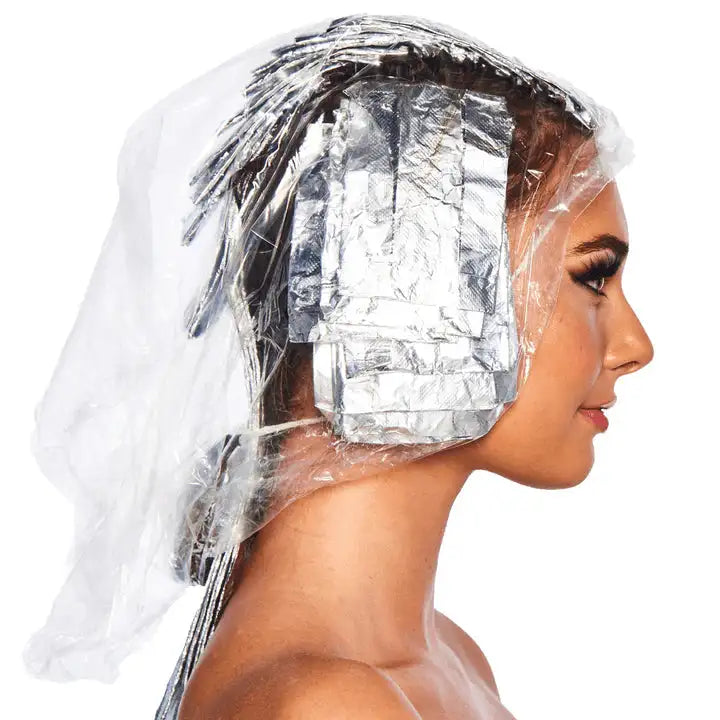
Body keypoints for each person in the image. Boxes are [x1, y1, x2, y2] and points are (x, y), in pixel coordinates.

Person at [22, 13, 654, 720]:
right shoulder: (331, 703)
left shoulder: (449, 661)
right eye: (592, 277)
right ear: (417, 288)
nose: (637, 346)